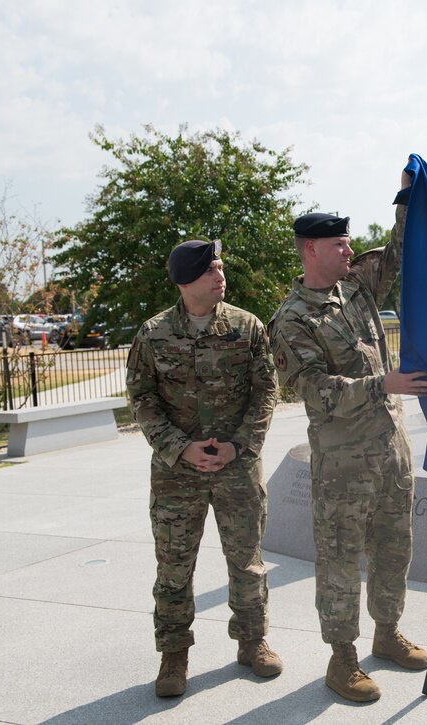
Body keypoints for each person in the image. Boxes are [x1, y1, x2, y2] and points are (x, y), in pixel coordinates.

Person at [268, 171, 427, 703]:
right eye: (338, 243)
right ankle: (341, 661)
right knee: (340, 560)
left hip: (390, 452)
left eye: (348, 242)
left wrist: (409, 195)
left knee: (394, 548)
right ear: (310, 249)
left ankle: (386, 636)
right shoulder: (291, 320)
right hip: (342, 466)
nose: (348, 249)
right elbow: (313, 392)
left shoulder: (357, 286)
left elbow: (399, 251)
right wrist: (381, 383)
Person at [126, 238, 281, 698]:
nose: (221, 276)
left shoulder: (247, 327)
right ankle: (173, 656)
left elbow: (266, 391)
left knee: (248, 563)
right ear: (185, 279)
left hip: (237, 470)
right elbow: (142, 399)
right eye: (211, 269)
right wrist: (181, 448)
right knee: (174, 567)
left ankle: (253, 642)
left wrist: (240, 447)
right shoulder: (152, 334)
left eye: (220, 268)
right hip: (177, 476)